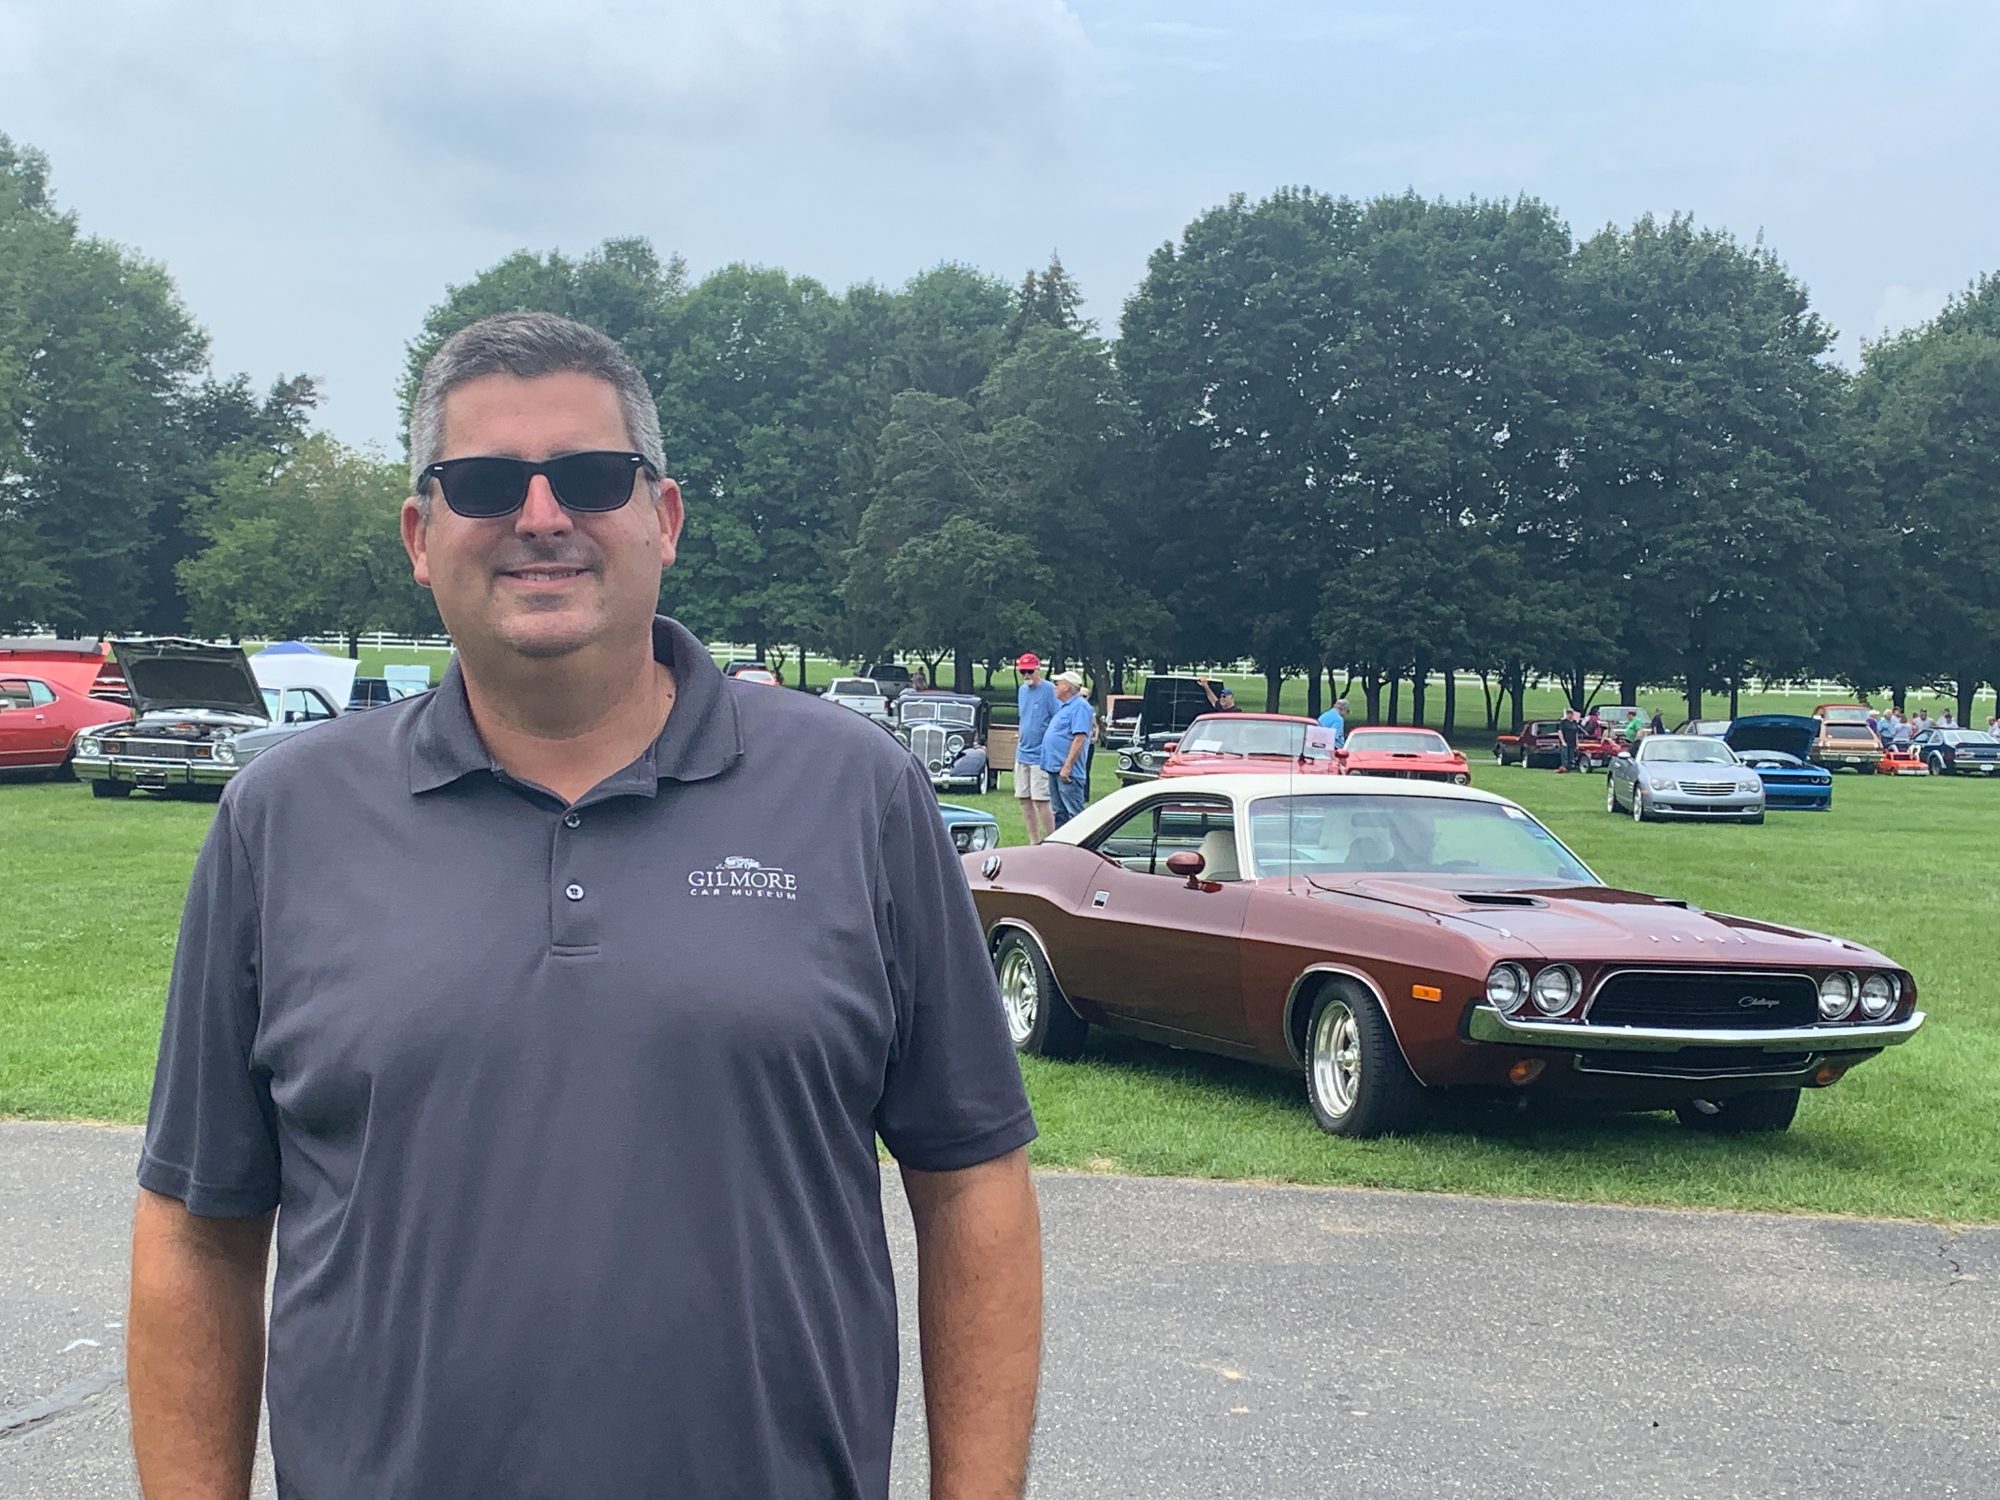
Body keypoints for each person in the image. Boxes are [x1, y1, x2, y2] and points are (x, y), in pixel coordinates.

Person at [126, 312, 1042, 1499]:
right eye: (487, 483)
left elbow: (972, 1182)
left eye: (594, 478)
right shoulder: (283, 818)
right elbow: (198, 1228)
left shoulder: (856, 791)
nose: (542, 516)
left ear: (661, 517)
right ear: (420, 534)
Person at [1013, 652, 1057, 844]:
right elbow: (1023, 717)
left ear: (1037, 669)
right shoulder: (1022, 690)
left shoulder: (1049, 690)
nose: (1026, 675)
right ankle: (1033, 841)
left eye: (1029, 671)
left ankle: (1052, 839)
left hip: (1041, 756)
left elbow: (1057, 720)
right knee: (1024, 798)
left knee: (1041, 800)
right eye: (1023, 671)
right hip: (1022, 753)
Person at [1041, 669, 1095, 828]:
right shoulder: (1065, 707)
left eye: (1058, 684)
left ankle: (1079, 847)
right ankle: (1061, 848)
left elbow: (1079, 738)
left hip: (1066, 771)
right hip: (1054, 767)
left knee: (1074, 813)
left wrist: (1067, 766)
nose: (1055, 687)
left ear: (1067, 687)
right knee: (1059, 812)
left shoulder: (1080, 707)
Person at [1556, 708, 1583, 773]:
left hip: (1572, 743)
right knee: (1565, 756)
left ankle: (1570, 768)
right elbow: (1560, 732)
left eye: (1570, 713)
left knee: (1571, 756)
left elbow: (1576, 733)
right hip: (1565, 742)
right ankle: (1564, 768)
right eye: (1568, 713)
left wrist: (1577, 743)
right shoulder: (1563, 722)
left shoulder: (1574, 722)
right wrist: (1563, 742)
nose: (1569, 714)